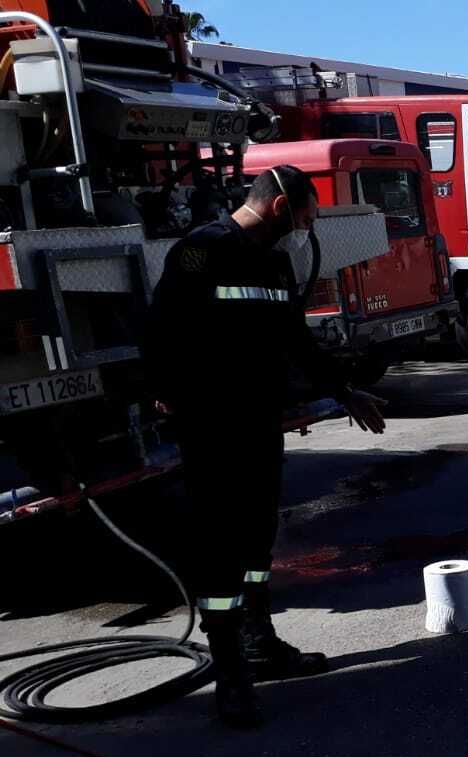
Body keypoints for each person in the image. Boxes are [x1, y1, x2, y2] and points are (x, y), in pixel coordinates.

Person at [143, 166, 388, 728]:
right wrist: (166, 393)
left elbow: (293, 340)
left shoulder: (275, 263)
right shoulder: (200, 253)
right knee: (220, 551)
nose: (307, 226)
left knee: (257, 540)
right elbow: (159, 333)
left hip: (258, 424)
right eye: (306, 215)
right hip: (211, 429)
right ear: (281, 207)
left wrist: (342, 389)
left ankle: (261, 644)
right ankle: (230, 676)